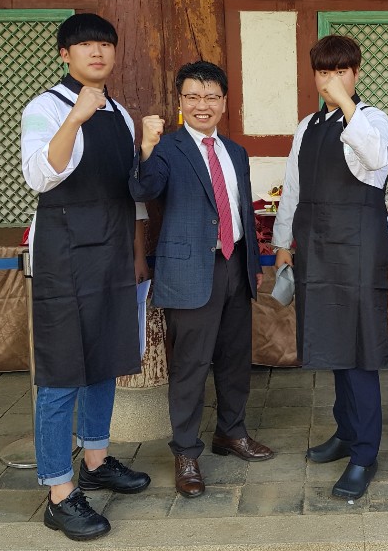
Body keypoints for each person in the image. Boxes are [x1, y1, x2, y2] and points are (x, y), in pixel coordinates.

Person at [21, 13, 151, 542]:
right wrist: (75, 118)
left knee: (105, 360)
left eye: (105, 44)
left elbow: (129, 190)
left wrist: (138, 251)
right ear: (64, 54)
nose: (96, 52)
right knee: (61, 373)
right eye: (84, 45)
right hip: (65, 255)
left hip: (114, 250)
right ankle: (58, 490)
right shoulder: (46, 107)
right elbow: (39, 174)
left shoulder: (119, 112)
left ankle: (96, 461)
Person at [129, 61, 273, 498]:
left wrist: (253, 263)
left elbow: (241, 210)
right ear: (180, 102)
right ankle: (186, 452)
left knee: (234, 359)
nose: (202, 105)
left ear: (224, 102)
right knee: (190, 366)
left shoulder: (235, 151)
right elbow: (143, 190)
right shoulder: (168, 149)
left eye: (211, 97)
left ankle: (231, 432)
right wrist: (146, 146)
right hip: (190, 270)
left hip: (235, 264)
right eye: (192, 97)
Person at [272, 34, 388, 501]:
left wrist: (346, 105)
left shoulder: (373, 119)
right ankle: (345, 432)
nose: (331, 80)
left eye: (341, 71)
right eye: (324, 72)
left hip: (358, 249)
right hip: (317, 246)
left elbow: (375, 160)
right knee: (332, 345)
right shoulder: (307, 125)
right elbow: (294, 185)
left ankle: (365, 453)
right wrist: (283, 242)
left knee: (359, 350)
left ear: (356, 73)